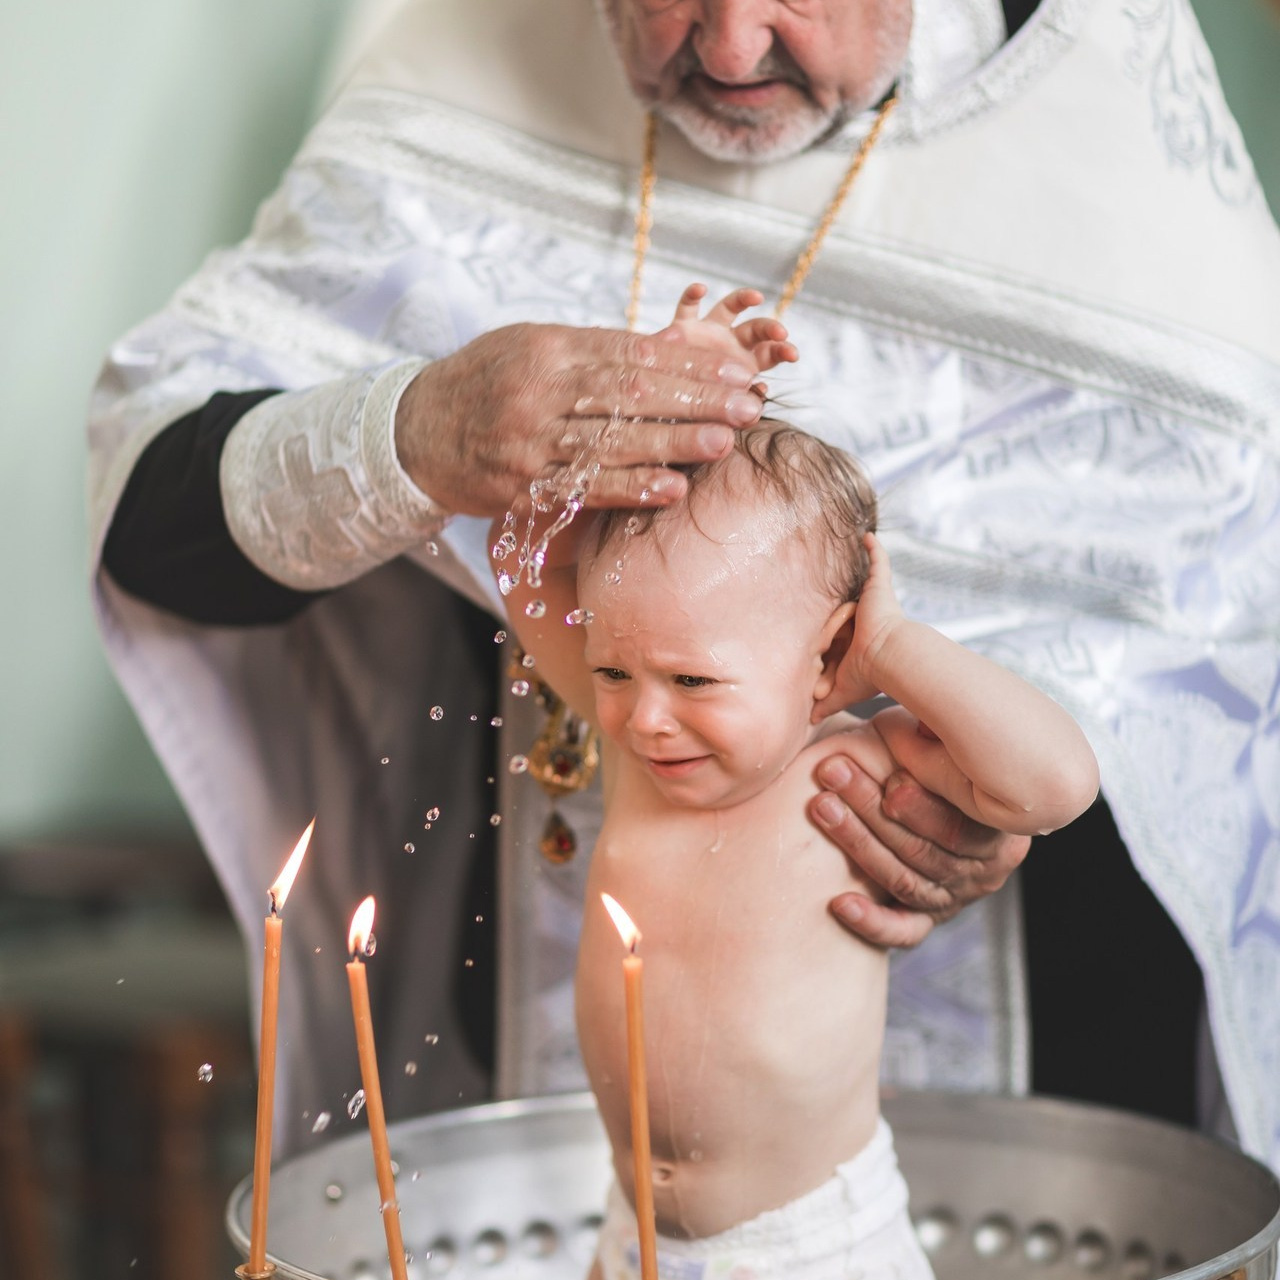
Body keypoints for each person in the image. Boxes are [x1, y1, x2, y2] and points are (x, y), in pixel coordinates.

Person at [87, 0, 1280, 1175]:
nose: (729, 46)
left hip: (1050, 1062)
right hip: (553, 1061)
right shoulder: (454, 66)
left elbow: (1218, 663)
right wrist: (419, 431)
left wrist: (993, 794)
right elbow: (156, 508)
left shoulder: (1113, 137)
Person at [497, 291, 1097, 1278]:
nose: (643, 715)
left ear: (824, 655)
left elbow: (1052, 784)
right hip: (634, 1225)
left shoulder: (850, 760)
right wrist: (654, 400)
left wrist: (894, 647)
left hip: (808, 1243)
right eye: (612, 672)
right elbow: (522, 556)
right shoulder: (645, 752)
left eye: (693, 680)